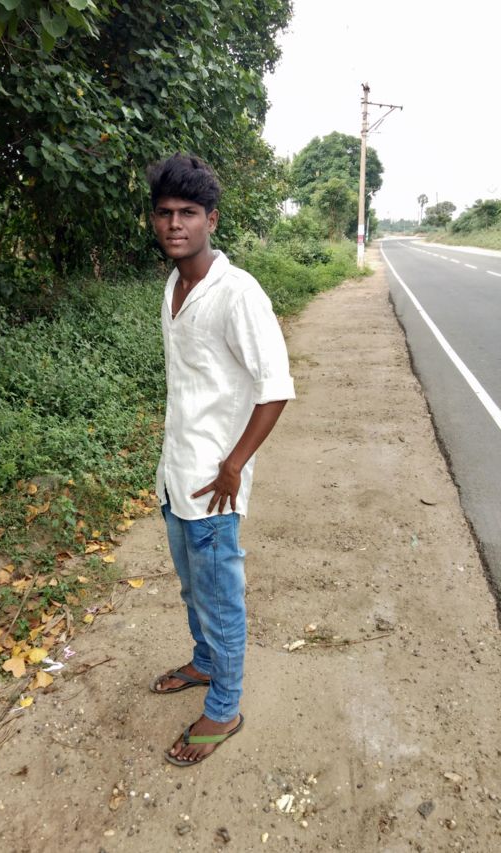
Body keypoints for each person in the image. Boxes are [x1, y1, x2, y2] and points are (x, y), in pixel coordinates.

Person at [146, 153, 295, 766]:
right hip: (176, 475)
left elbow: (276, 387)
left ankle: (225, 708)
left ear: (211, 220)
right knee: (193, 589)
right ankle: (205, 662)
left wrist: (234, 465)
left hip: (214, 485)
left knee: (221, 599)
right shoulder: (175, 286)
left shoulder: (237, 293)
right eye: (164, 213)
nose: (174, 224)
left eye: (188, 213)